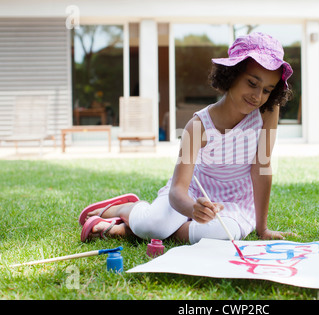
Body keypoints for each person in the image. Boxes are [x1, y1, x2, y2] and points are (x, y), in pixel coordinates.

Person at [79, 32, 295, 244]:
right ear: (232, 75)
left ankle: (128, 231)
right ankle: (125, 208)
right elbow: (178, 190)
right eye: (252, 83)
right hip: (192, 194)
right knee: (153, 225)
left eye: (267, 90)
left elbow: (261, 167)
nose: (258, 96)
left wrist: (262, 228)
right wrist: (192, 208)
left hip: (236, 203)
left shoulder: (267, 111)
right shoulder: (198, 126)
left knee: (225, 234)